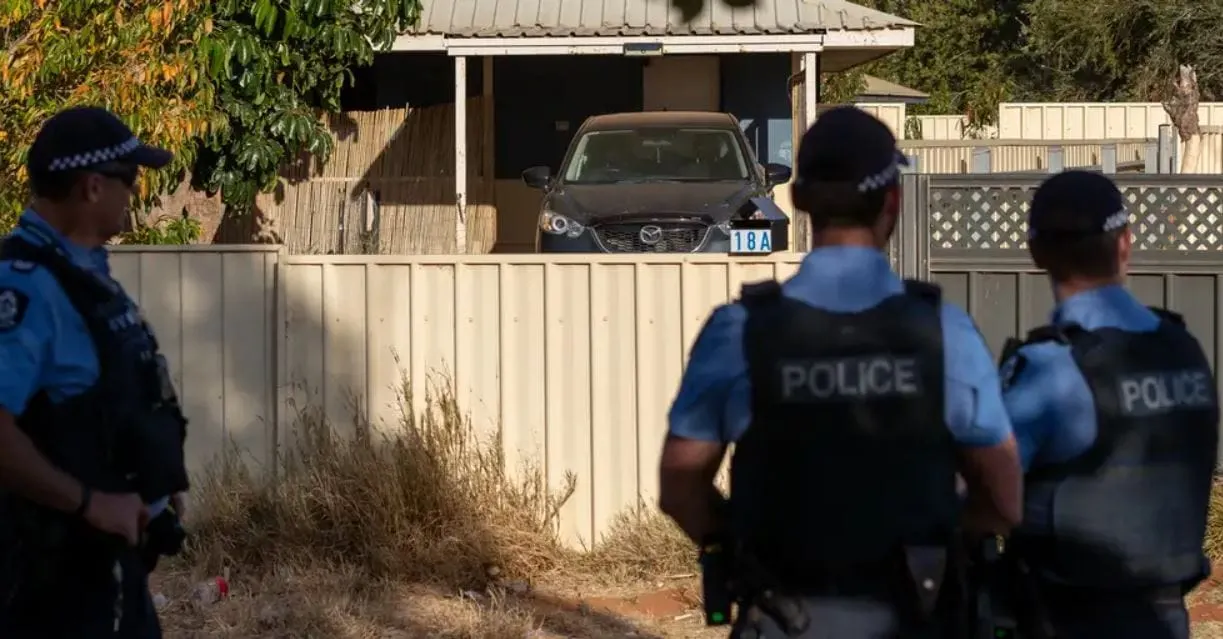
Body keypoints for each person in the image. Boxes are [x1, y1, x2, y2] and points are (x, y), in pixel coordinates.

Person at [658, 106, 1024, 639]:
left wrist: (737, 543)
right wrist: (942, 536)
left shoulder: (738, 332)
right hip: (915, 616)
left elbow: (680, 485)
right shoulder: (945, 333)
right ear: (893, 201)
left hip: (783, 616)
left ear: (798, 200)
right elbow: (1005, 499)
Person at [999, 170, 1219, 639]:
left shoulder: (1052, 367)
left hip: (1064, 618)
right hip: (1164, 619)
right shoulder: (1184, 350)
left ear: (1036, 253)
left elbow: (983, 490)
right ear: (1125, 243)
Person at [0, 106, 191, 638]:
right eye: (129, 179)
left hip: (110, 566)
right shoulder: (24, 287)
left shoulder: (83, 273)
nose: (134, 193)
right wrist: (91, 503)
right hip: (54, 582)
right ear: (92, 187)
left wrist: (155, 491)